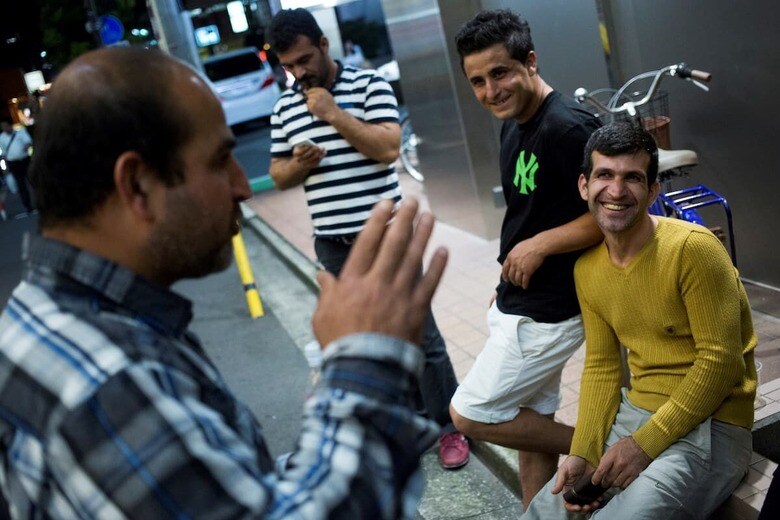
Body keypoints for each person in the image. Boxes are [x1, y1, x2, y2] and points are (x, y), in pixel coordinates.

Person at [0, 46, 451, 518]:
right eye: (220, 160)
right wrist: (362, 367)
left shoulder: (42, 312)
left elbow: (221, 491)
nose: (241, 185)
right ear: (137, 186)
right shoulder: (111, 383)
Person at [267, 8, 469, 469]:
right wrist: (299, 163)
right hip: (333, 244)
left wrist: (333, 114)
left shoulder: (369, 85)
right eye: (289, 66)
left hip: (387, 239)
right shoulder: (283, 107)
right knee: (360, 342)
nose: (299, 73)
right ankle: (408, 423)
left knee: (420, 334)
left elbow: (387, 148)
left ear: (322, 44)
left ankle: (448, 427)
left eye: (304, 60)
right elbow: (278, 175)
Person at [524, 122, 757, 518]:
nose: (616, 191)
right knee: (545, 511)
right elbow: (600, 367)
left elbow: (720, 363)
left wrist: (642, 446)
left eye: (632, 177)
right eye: (604, 175)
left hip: (714, 426)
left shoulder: (692, 248)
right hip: (634, 416)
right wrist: (583, 450)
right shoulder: (587, 269)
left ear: (652, 191)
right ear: (584, 185)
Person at [448, 9, 602, 507]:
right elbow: (528, 211)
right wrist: (511, 272)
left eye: (500, 73)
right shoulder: (513, 122)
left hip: (551, 309)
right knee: (530, 425)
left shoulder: (569, 128)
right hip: (521, 298)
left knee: (470, 413)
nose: (490, 90)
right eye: (477, 81)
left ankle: (598, 450)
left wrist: (539, 246)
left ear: (529, 62)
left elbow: (612, 214)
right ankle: (539, 515)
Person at [0, 119, 35, 215]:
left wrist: (26, 147)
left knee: (33, 181)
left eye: (6, 126)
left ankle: (41, 201)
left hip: (25, 160)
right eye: (3, 127)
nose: (5, 128)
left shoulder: (20, 132)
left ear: (10, 125)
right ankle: (28, 206)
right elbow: (3, 154)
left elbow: (29, 142)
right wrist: (5, 168)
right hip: (13, 163)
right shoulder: (1, 138)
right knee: (21, 185)